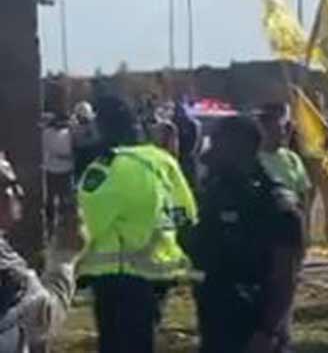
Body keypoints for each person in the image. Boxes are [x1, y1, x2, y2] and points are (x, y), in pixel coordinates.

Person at [76, 96, 196, 353]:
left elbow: (88, 223)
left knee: (115, 343)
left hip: (114, 275)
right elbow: (186, 213)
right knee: (143, 341)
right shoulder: (162, 161)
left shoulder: (105, 167)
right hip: (159, 272)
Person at [183, 115, 305, 353]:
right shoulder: (216, 192)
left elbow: (285, 275)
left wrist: (268, 330)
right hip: (216, 319)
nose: (212, 151)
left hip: (256, 321)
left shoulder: (272, 202)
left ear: (240, 147)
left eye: (218, 143)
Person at [0, 150, 84, 352]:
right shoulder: (7, 270)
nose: (20, 192)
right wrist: (64, 257)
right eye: (9, 185)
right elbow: (43, 318)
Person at [257, 103, 313, 205]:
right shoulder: (253, 160)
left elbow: (304, 194)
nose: (283, 133)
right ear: (264, 131)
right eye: (277, 129)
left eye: (283, 128)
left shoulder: (292, 158)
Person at [42, 115, 75, 236]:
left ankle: (51, 223)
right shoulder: (69, 133)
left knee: (51, 197)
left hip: (51, 169)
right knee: (64, 197)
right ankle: (63, 223)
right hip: (65, 169)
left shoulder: (46, 133)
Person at [70, 101, 102, 179]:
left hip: (91, 153)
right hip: (79, 154)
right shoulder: (75, 124)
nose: (81, 119)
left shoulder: (93, 125)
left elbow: (96, 138)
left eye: (82, 117)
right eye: (79, 117)